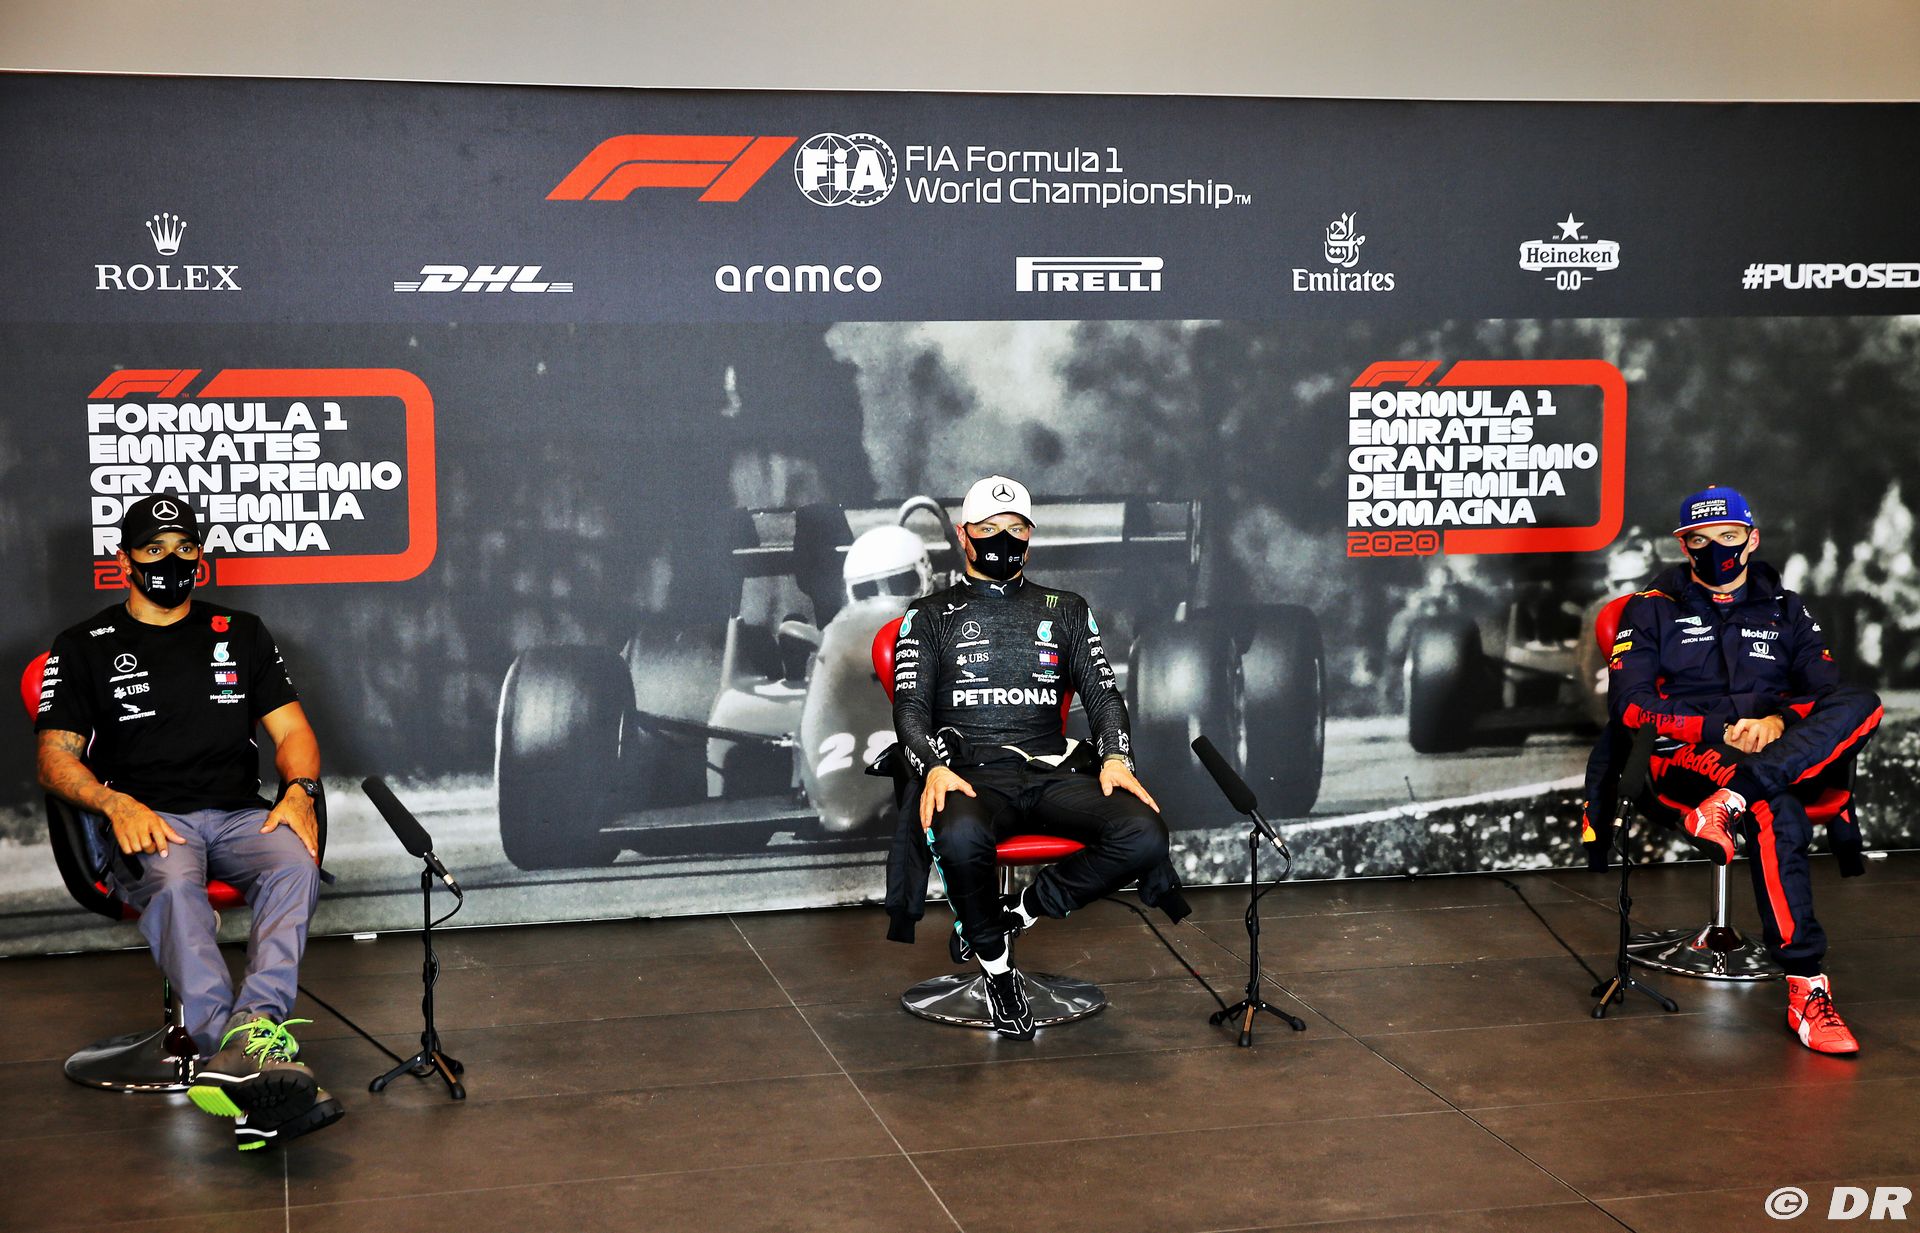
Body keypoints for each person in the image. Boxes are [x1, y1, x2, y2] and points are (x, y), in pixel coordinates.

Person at [34, 495, 343, 1147]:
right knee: (175, 884)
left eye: (183, 548)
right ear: (125, 562)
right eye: (153, 550)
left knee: (295, 861)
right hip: (149, 819)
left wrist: (299, 790)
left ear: (200, 557)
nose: (169, 561)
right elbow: (54, 758)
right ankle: (225, 1047)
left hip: (238, 816)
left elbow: (293, 732)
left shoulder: (242, 631)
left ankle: (251, 1033)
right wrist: (116, 804)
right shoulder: (84, 645)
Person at [887, 475, 1188, 1039]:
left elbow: (1104, 695)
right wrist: (933, 768)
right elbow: (909, 709)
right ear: (963, 535)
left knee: (1144, 833)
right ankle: (998, 973)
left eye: (1016, 528)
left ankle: (1017, 913)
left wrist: (1115, 758)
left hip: (1052, 769)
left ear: (1030, 536)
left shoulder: (1067, 609)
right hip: (970, 774)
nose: (1003, 539)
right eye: (988, 528)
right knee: (958, 835)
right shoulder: (927, 615)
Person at [1590, 485, 1882, 1054]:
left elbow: (1825, 691)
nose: (1716, 549)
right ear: (1683, 547)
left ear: (1752, 540)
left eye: (1728, 536)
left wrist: (1778, 720)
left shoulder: (1787, 608)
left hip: (1772, 746)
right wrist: (1717, 731)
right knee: (1779, 808)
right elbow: (1629, 707)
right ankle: (1807, 986)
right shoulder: (1649, 608)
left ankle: (1733, 799)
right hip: (1683, 753)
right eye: (1700, 540)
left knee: (1862, 701)